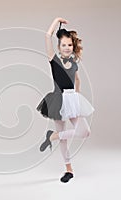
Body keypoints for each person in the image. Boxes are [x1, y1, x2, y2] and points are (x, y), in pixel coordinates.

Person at [36, 17, 95, 183]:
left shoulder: (75, 63)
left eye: (70, 45)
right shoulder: (53, 60)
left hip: (72, 99)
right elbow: (47, 36)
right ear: (59, 47)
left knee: (84, 132)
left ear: (72, 46)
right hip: (58, 101)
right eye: (64, 45)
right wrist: (56, 21)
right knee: (65, 138)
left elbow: (77, 80)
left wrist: (76, 96)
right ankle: (68, 169)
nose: (67, 48)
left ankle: (52, 137)